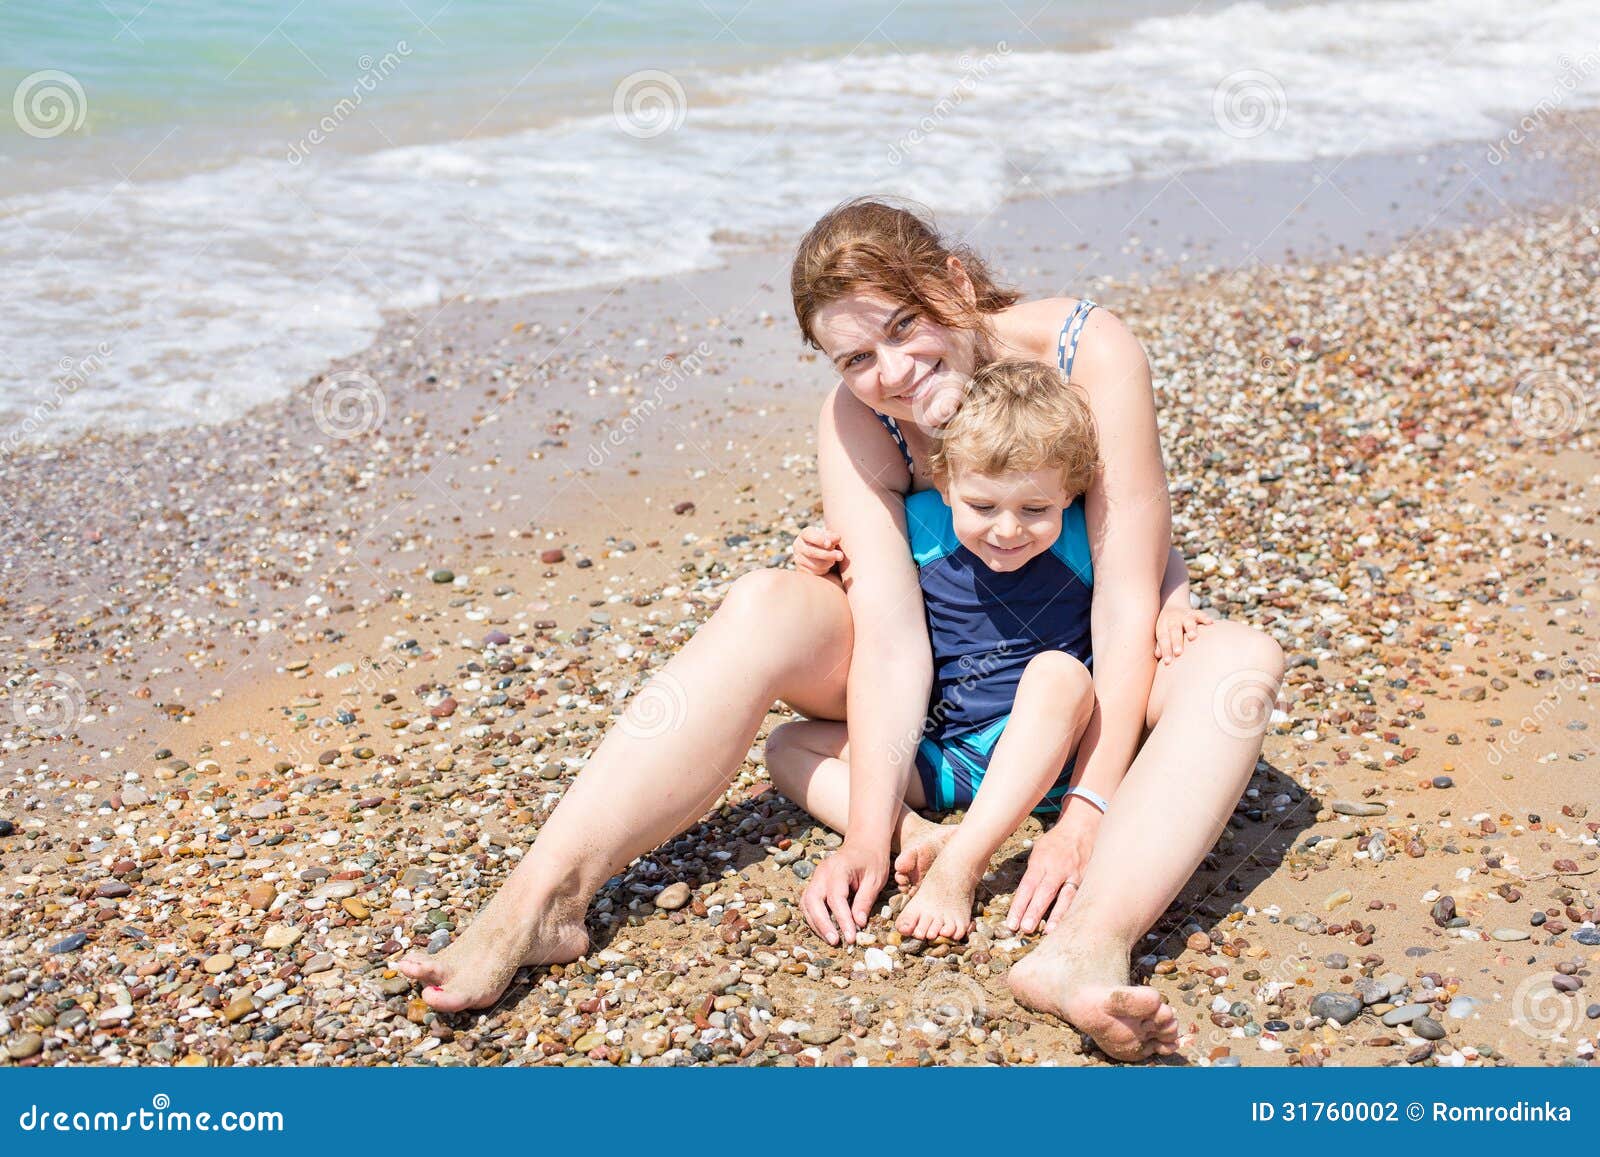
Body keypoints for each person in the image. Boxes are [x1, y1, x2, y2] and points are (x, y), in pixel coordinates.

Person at [400, 197, 1283, 1063]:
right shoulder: (858, 420)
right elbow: (894, 635)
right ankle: (541, 900)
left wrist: (1088, 807)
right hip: (947, 678)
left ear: (957, 283)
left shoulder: (1085, 350)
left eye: (905, 326)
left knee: (1242, 659)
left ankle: (1084, 948)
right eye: (856, 355)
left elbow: (1126, 594)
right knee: (765, 600)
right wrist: (869, 830)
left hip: (1083, 673)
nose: (893, 372)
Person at [769, 357, 1105, 944]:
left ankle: (962, 863)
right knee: (787, 746)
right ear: (946, 485)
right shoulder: (919, 524)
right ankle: (919, 834)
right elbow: (863, 604)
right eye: (983, 507)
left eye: (1034, 510)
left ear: (1069, 494)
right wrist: (814, 568)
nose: (1007, 530)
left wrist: (1174, 601)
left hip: (1045, 752)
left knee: (1060, 673)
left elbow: (1153, 565)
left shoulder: (1079, 534)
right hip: (947, 754)